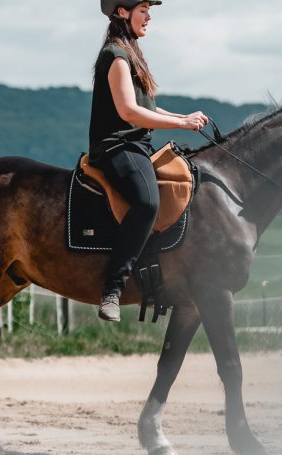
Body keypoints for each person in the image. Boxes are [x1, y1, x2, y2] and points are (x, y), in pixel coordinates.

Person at [90, 0, 208, 321]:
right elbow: (129, 112)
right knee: (146, 201)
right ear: (122, 12)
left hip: (136, 145)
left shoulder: (131, 53)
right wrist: (181, 125)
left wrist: (184, 117)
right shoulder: (115, 56)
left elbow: (149, 109)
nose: (149, 16)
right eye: (143, 9)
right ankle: (112, 290)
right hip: (117, 147)